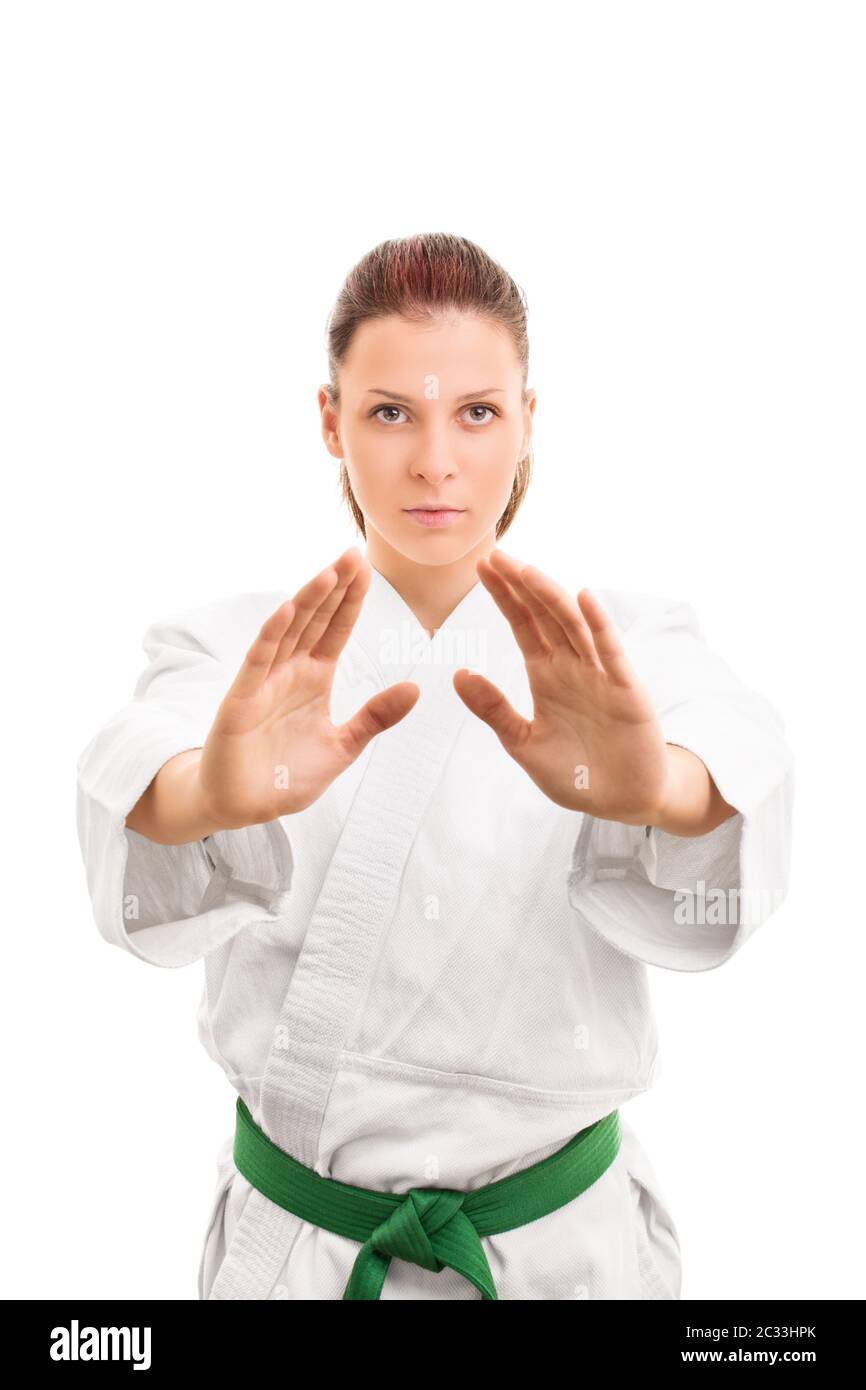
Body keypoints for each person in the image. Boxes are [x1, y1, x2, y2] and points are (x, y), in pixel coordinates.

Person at [75, 232, 794, 1301]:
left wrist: (656, 790)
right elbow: (140, 764)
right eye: (388, 412)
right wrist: (212, 794)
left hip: (560, 1258)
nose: (435, 464)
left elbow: (737, 752)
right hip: (305, 1257)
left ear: (526, 418)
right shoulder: (231, 652)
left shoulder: (626, 653)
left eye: (475, 411)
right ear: (330, 420)